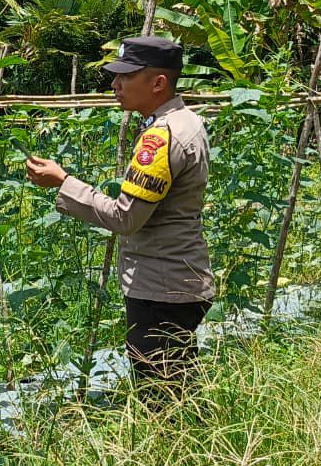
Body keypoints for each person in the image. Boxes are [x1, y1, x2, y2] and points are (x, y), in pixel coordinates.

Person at [25, 35, 214, 397]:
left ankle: (175, 451)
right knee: (179, 386)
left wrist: (63, 182)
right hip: (180, 278)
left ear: (158, 83)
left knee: (162, 397)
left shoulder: (162, 137)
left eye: (126, 76)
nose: (115, 84)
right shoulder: (188, 122)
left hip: (161, 287)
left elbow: (126, 218)